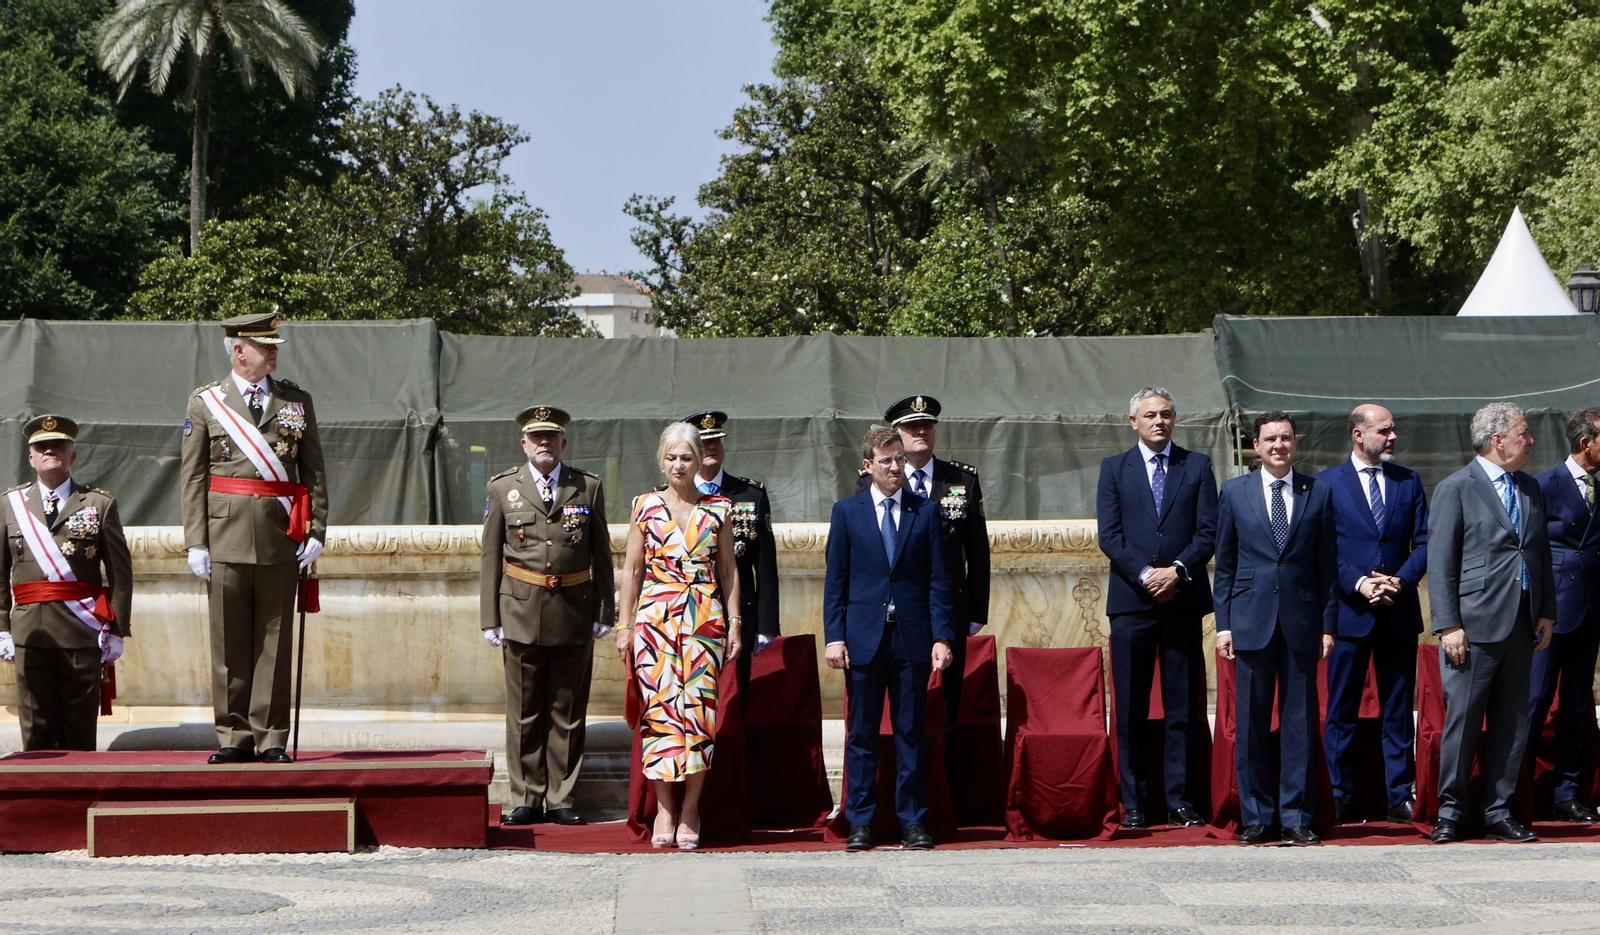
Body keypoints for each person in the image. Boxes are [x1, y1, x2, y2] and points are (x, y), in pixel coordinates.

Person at [180, 313, 327, 765]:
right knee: (229, 644)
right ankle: (234, 736)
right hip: (224, 536)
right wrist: (196, 541)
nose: (274, 351)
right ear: (239, 350)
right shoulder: (206, 402)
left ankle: (272, 737)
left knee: (274, 643)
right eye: (265, 346)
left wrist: (316, 529)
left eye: (274, 345)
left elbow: (314, 471)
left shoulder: (296, 401)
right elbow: (193, 477)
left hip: (281, 536)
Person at [1428, 401, 1555, 844]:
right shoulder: (1456, 488)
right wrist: (1448, 625)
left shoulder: (1530, 487)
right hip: (1473, 626)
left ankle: (1498, 810)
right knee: (1463, 721)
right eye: (1524, 434)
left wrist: (1546, 611)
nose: (1531, 441)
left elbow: (1540, 554)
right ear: (1498, 440)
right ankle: (1451, 811)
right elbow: (1441, 562)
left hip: (1522, 623)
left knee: (1512, 721)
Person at [481, 405, 615, 826]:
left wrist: (605, 610)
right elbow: (490, 557)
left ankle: (561, 798)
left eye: (551, 437)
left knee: (568, 710)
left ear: (563, 443)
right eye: (537, 437)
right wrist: (490, 617)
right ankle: (525, 796)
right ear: (524, 444)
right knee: (524, 712)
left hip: (574, 610)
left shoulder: (586, 486)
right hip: (520, 610)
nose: (544, 443)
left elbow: (601, 553)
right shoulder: (503, 487)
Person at [854, 395, 989, 805]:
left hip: (948, 609)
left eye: (927, 426)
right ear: (896, 436)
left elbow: (977, 551)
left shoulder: (960, 479)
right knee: (897, 713)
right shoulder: (870, 481)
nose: (920, 433)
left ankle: (942, 799)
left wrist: (975, 611)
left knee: (945, 708)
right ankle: (895, 801)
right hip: (894, 613)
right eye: (911, 428)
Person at [826, 426, 956, 851]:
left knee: (910, 732)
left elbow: (937, 580)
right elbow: (836, 581)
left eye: (899, 459)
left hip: (911, 637)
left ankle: (912, 820)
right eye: (886, 461)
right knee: (862, 735)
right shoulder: (847, 512)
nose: (896, 467)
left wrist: (942, 636)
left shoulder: (925, 512)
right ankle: (860, 821)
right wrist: (834, 637)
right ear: (868, 466)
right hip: (863, 638)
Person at [614, 422, 743, 849]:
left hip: (704, 620)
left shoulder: (719, 509)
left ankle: (691, 808)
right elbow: (632, 570)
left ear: (698, 460)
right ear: (661, 461)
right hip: (655, 622)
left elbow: (729, 570)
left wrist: (735, 623)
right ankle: (665, 807)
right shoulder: (644, 506)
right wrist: (624, 626)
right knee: (659, 714)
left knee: (700, 715)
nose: (678, 465)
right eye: (671, 457)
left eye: (686, 457)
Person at [1213, 411, 1337, 846]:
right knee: (1251, 724)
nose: (1278, 445)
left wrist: (1327, 625)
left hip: (1302, 622)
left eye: (1285, 438)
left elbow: (1327, 567)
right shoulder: (1234, 492)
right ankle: (1257, 816)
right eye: (1270, 439)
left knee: (1299, 723)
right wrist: (1224, 626)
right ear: (1257, 446)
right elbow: (1225, 566)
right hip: (1250, 621)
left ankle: (1296, 816)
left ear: (1295, 443)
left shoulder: (1318, 492)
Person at [1096, 387, 1216, 829]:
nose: (1159, 421)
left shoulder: (1197, 466)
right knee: (1130, 707)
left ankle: (1180, 799)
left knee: (1182, 706)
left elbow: (1208, 531)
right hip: (1132, 603)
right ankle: (1134, 802)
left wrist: (1177, 571)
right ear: (1134, 422)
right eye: (1150, 415)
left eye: (1166, 414)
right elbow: (1110, 536)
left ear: (1175, 418)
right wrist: (1148, 575)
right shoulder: (1114, 469)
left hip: (1182, 601)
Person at [1318, 404, 1429, 826]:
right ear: (1358, 434)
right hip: (1350, 614)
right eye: (1384, 430)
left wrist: (1400, 581)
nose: (1392, 436)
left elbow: (1425, 541)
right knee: (1341, 708)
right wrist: (1360, 583)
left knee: (1398, 708)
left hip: (1397, 612)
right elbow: (1324, 548)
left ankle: (1399, 795)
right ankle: (1338, 794)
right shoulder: (1327, 484)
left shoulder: (1408, 480)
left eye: (1393, 429)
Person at [0, 415, 132, 751]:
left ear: (72, 455)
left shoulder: (99, 503)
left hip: (81, 631)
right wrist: (2, 628)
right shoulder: (9, 505)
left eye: (58, 445)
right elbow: (0, 574)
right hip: (30, 632)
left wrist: (117, 630)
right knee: (35, 728)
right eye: (41, 447)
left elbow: (120, 573)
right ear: (31, 458)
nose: (50, 451)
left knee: (79, 730)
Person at [1527, 407, 1600, 823]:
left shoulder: (1598, 488)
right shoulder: (1544, 485)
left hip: (1590, 611)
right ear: (1586, 443)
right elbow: (1532, 550)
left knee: (1575, 705)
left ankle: (1566, 792)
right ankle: (1516, 790)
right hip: (1551, 613)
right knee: (1535, 700)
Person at [681, 410, 778, 704]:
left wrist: (767, 625)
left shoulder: (749, 494)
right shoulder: (676, 497)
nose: (712, 447)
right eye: (704, 443)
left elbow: (765, 564)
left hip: (739, 614)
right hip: (690, 612)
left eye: (717, 441)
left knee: (736, 700)